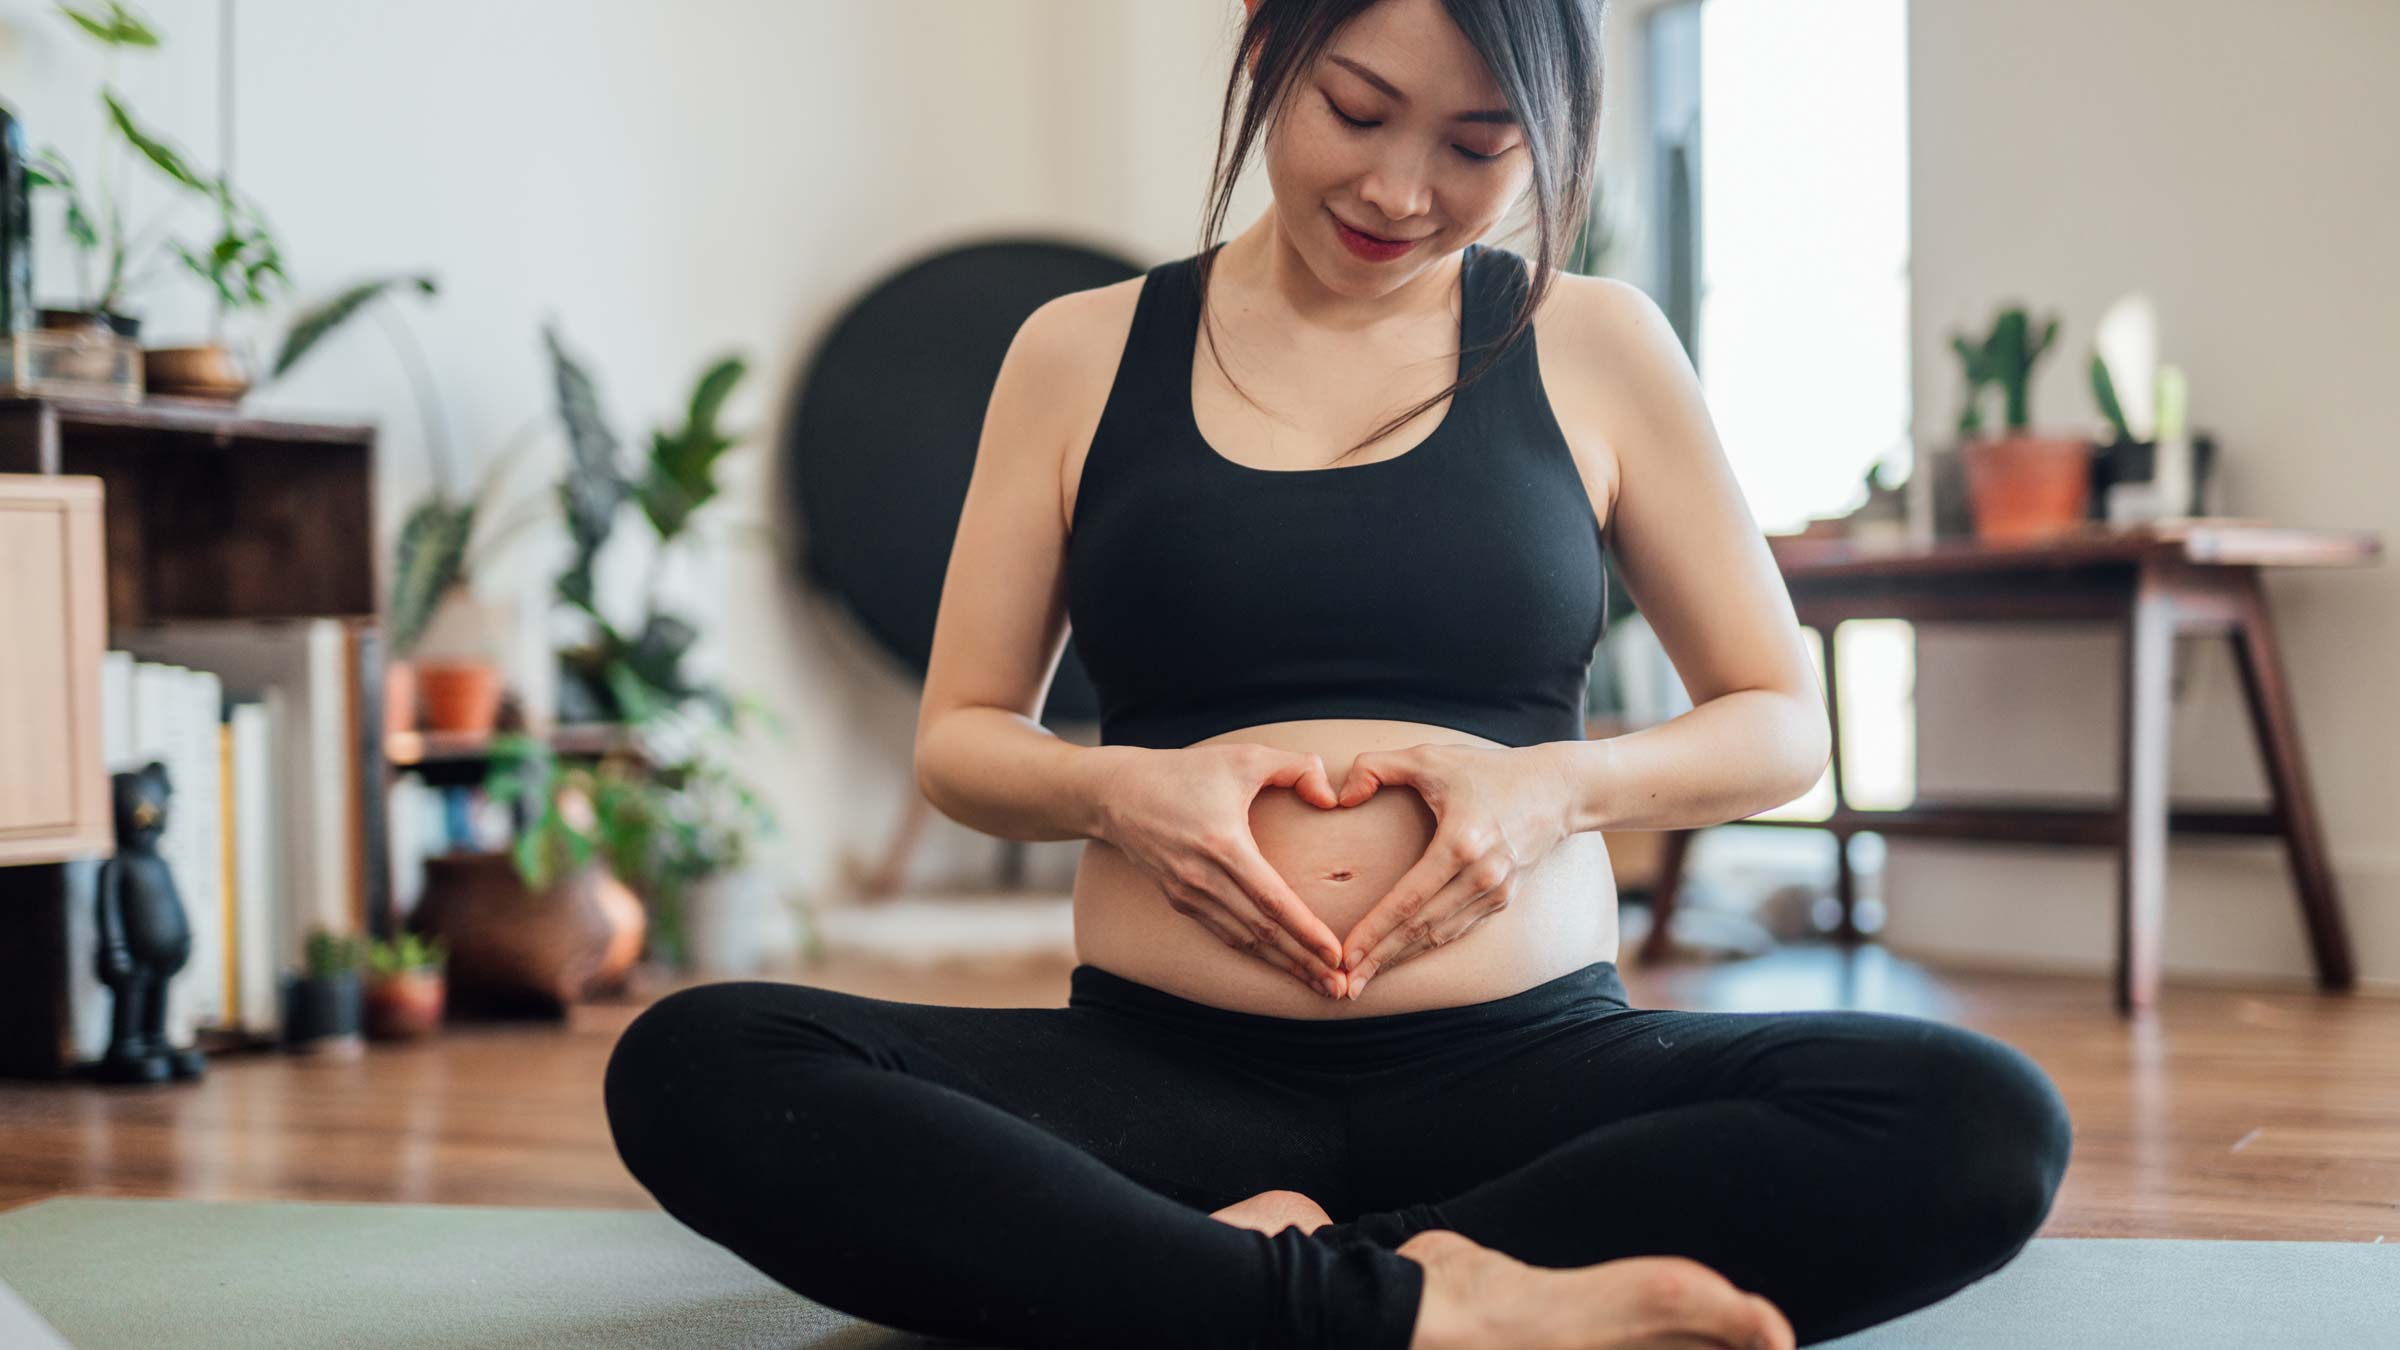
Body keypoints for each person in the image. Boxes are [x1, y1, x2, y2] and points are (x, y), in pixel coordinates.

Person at [604, 1, 2073, 1346]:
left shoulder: (1597, 343)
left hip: (1528, 1077)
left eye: (1478, 144)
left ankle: (1230, 1286)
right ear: (1266, 47)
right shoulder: (1077, 352)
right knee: (700, 1060)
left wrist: (1556, 790)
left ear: (1548, 140)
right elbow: (964, 742)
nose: (1400, 192)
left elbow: (1776, 721)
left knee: (1977, 1119)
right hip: (1160, 1079)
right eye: (1356, 114)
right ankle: (1442, 1303)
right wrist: (1124, 793)